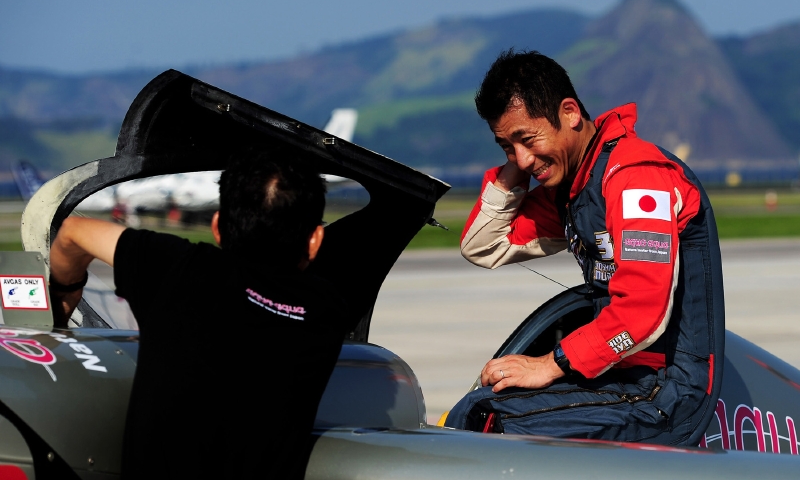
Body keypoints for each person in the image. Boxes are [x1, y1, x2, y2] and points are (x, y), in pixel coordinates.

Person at [48, 150, 416, 479]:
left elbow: (73, 232)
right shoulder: (325, 309)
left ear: (217, 227)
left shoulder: (178, 268)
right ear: (315, 240)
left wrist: (65, 295)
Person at [445, 50, 724, 446]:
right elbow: (483, 245)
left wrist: (550, 364)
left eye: (528, 138)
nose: (522, 159)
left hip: (669, 393)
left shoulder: (636, 177)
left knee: (486, 420)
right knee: (476, 405)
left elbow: (642, 311)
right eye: (506, 146)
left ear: (570, 113)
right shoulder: (573, 189)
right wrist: (518, 163)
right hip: (615, 378)